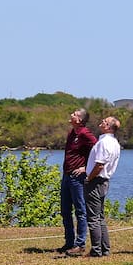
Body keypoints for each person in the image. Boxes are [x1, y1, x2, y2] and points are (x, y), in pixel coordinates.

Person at [57, 107, 97, 256]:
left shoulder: (85, 133)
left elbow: (97, 148)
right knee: (65, 210)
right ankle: (69, 242)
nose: (71, 115)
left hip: (77, 178)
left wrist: (86, 168)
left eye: (74, 114)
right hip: (67, 176)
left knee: (80, 210)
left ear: (79, 120)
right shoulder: (72, 132)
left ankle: (80, 244)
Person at [84, 116, 121, 257]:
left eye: (105, 121)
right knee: (99, 216)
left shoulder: (104, 143)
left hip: (96, 181)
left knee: (93, 217)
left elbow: (99, 164)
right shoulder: (114, 143)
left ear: (109, 127)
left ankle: (96, 250)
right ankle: (104, 249)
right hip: (104, 181)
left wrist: (89, 178)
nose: (102, 121)